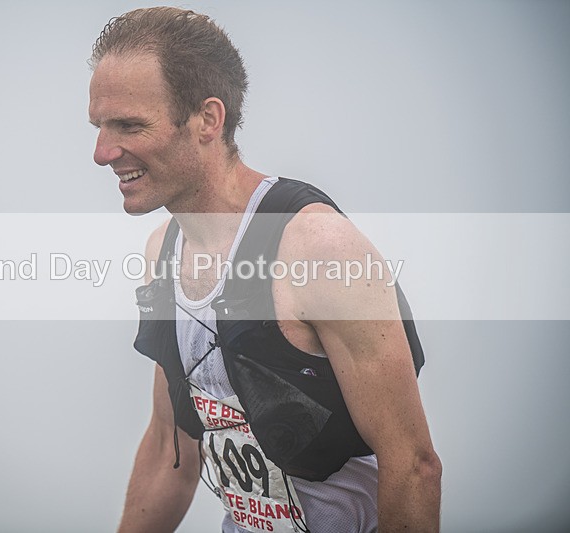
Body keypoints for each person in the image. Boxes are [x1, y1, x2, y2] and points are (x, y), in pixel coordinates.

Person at [88, 7, 441, 533]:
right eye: (99, 127)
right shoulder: (160, 253)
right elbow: (170, 450)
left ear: (209, 119)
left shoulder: (317, 248)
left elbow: (412, 466)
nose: (102, 153)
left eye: (130, 125)